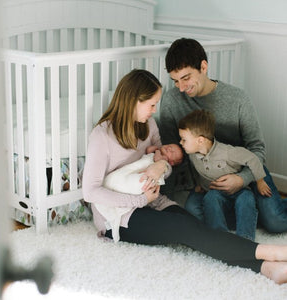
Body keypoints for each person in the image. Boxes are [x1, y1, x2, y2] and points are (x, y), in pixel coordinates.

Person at [83, 68, 287, 285]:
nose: (154, 111)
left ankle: (266, 267)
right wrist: (140, 200)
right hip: (118, 216)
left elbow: (167, 164)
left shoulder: (148, 125)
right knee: (184, 229)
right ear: (133, 100)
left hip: (153, 201)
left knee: (197, 227)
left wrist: (160, 167)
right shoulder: (102, 136)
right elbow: (91, 191)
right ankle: (272, 253)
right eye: (151, 104)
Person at [159, 37, 287, 233]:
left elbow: (257, 148)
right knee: (193, 213)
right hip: (208, 178)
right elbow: (172, 153)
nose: (181, 88)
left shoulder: (237, 99)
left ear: (203, 67)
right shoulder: (171, 101)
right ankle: (249, 209)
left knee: (276, 222)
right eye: (175, 81)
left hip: (244, 169)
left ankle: (257, 207)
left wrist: (242, 180)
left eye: (186, 78)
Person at [178, 109, 271, 240]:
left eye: (183, 139)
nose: (180, 143)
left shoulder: (227, 152)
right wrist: (199, 184)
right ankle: (220, 237)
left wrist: (260, 181)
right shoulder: (192, 155)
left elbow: (253, 158)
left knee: (246, 200)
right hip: (215, 192)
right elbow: (196, 170)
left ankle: (245, 240)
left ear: (200, 140)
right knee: (210, 199)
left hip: (240, 190)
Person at [95, 143, 183, 242]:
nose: (170, 148)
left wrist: (158, 154)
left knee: (143, 182)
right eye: (170, 146)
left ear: (171, 162)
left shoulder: (162, 159)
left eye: (173, 152)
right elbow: (148, 151)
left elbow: (158, 161)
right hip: (130, 174)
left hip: (144, 179)